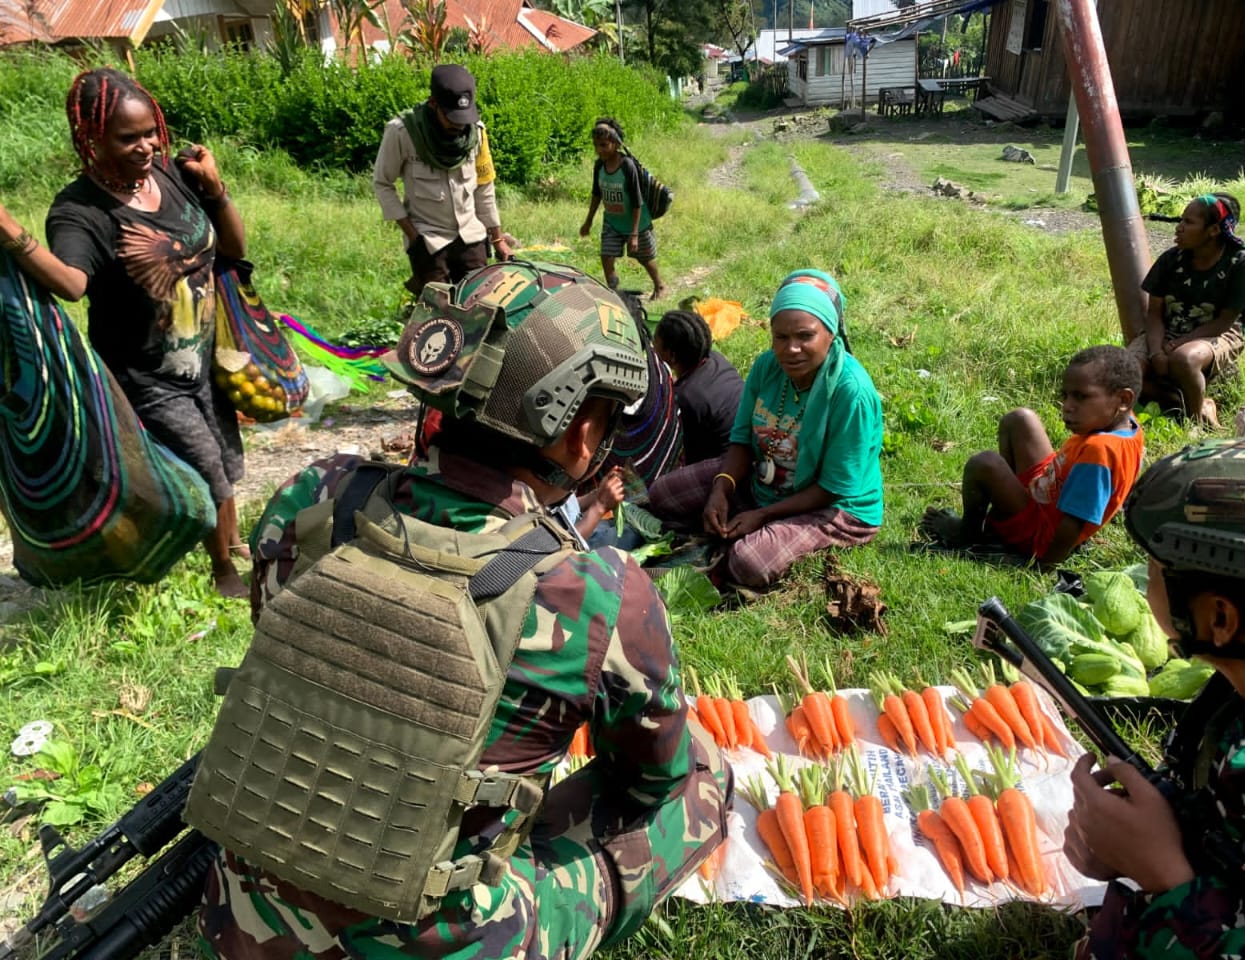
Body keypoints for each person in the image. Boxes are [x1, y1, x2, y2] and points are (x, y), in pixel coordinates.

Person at [199, 261, 730, 960]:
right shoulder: (598, 591)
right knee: (700, 776)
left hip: (242, 921)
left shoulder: (316, 499)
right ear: (579, 436)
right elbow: (649, 776)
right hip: (438, 942)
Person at [0, 67, 249, 597]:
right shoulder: (78, 211)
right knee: (207, 469)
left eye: (150, 132)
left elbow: (234, 249)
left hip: (203, 355)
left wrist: (216, 186)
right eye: (128, 137)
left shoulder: (171, 175)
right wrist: (9, 230)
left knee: (225, 459)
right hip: (144, 373)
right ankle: (223, 572)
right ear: (93, 138)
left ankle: (227, 541)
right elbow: (71, 284)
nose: (146, 146)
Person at [1065, 434, 1245, 958]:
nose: (1145, 588)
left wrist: (1164, 875)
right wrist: (1143, 830)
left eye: (1154, 574)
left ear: (1219, 617)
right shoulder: (1241, 691)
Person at [646, 269, 883, 590]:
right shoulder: (767, 367)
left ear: (831, 333)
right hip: (767, 481)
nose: (791, 349)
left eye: (805, 336)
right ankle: (744, 517)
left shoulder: (849, 392)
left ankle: (758, 530)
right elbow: (742, 440)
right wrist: (722, 488)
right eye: (781, 337)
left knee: (747, 563)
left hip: (834, 507)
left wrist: (765, 515)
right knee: (662, 495)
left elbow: (833, 487)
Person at [920, 345, 1144, 567]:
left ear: (1123, 400)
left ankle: (968, 533)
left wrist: (1043, 564)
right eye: (1065, 396)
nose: (1067, 406)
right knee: (1019, 419)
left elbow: (1075, 520)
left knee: (984, 464)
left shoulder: (1100, 452)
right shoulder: (1127, 423)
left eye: (1080, 397)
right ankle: (1002, 516)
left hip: (1042, 535)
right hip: (1048, 490)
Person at [373, 64, 512, 297]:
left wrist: (498, 240)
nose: (459, 125)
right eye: (452, 118)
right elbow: (382, 183)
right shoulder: (402, 133)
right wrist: (413, 236)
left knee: (481, 306)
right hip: (429, 241)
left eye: (463, 118)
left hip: (471, 236)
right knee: (440, 315)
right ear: (433, 103)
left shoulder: (476, 133)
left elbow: (484, 187)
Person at [1128, 192, 1245, 427]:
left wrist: (1177, 344)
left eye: (1188, 222)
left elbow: (1225, 321)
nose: (1178, 228)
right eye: (1181, 220)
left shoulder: (1241, 262)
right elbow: (1154, 312)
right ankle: (1185, 401)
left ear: (1214, 230)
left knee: (1185, 359)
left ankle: (1193, 423)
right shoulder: (1171, 259)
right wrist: (1156, 352)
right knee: (1126, 370)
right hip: (1169, 327)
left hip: (1221, 332)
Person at [578, 118, 666, 301]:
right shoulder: (599, 166)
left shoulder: (627, 166)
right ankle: (614, 291)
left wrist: (634, 234)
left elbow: (637, 201)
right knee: (607, 256)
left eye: (603, 145)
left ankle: (660, 286)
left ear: (616, 144)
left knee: (644, 257)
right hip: (612, 222)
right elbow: (596, 194)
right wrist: (588, 221)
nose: (599, 150)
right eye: (596, 145)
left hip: (636, 223)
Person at [654, 309, 744, 466]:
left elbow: (693, 456)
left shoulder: (686, 398)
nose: (652, 346)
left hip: (730, 465)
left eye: (656, 341)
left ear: (671, 355)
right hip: (748, 441)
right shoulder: (715, 359)